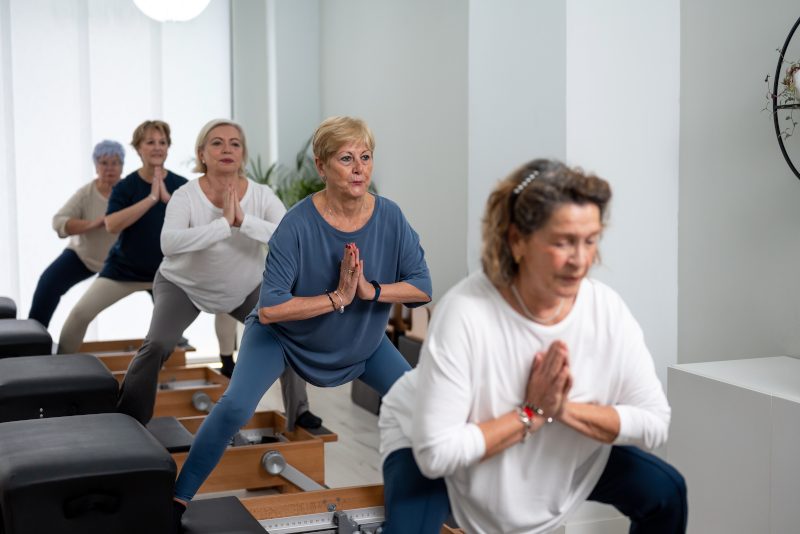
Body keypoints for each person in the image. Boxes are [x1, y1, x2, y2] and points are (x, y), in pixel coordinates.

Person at [378, 159, 687, 534]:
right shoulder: (466, 312)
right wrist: (530, 413)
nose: (579, 260)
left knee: (666, 492)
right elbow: (436, 453)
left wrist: (561, 409)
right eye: (562, 242)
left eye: (590, 241)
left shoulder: (606, 311)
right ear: (517, 240)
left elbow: (655, 421)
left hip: (552, 448)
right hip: (431, 443)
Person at [170, 116, 432, 525]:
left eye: (366, 157)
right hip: (282, 338)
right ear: (321, 166)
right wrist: (337, 297)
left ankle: (412, 509)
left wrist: (370, 291)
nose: (360, 167)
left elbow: (422, 286)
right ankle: (177, 498)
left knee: (420, 406)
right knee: (235, 406)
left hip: (361, 341)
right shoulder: (296, 224)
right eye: (347, 158)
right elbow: (272, 307)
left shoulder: (391, 217)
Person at [116, 118, 314, 428]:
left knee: (288, 335)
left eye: (234, 143)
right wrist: (222, 225)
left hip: (245, 288)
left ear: (242, 154)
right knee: (157, 345)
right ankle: (128, 418)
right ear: (202, 154)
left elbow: (291, 239)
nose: (226, 149)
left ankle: (299, 413)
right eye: (217, 143)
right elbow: (169, 244)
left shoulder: (261, 195)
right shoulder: (185, 195)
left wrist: (243, 222)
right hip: (183, 286)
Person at [57, 120, 188, 354]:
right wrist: (150, 199)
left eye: (162, 142)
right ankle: (59, 371)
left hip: (166, 274)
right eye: (150, 142)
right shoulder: (126, 186)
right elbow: (111, 224)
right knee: (79, 315)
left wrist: (167, 199)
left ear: (168, 147)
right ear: (138, 148)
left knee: (168, 337)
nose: (157, 147)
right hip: (123, 270)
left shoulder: (181, 186)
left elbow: (197, 226)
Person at [29, 140, 125, 328]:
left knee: (159, 284)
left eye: (115, 163)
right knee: (48, 283)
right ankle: (31, 341)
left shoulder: (130, 190)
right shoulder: (86, 194)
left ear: (122, 166)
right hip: (84, 257)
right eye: (104, 163)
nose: (110, 168)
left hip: (121, 261)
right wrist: (92, 224)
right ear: (96, 166)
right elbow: (59, 222)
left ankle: (174, 337)